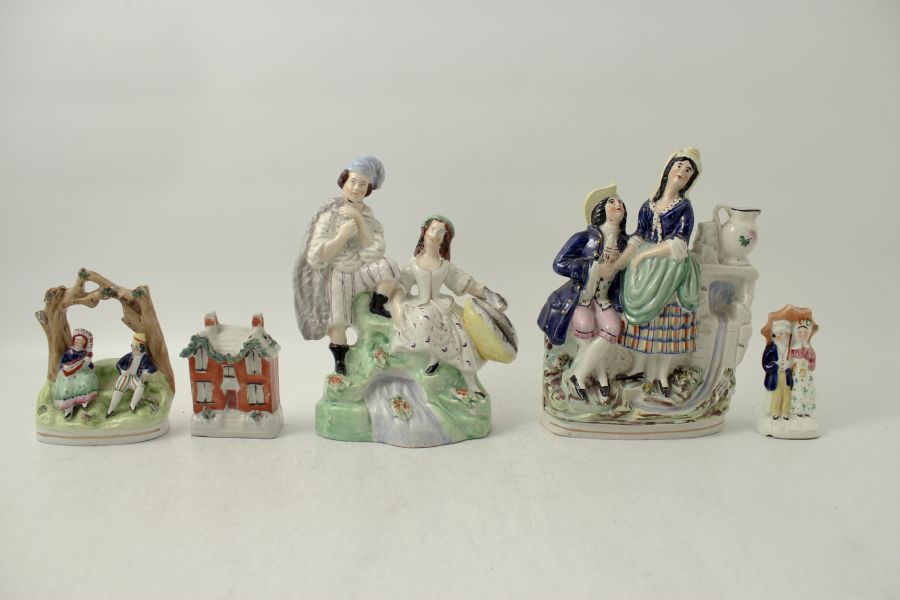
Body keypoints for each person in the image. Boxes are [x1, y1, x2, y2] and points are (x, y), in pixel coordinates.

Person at [294, 156, 399, 375]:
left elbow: (373, 248)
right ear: (344, 181)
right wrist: (341, 237)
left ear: (368, 189)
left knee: (389, 267)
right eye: (353, 181)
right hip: (338, 273)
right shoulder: (330, 214)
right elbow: (317, 255)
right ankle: (341, 362)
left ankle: (377, 304)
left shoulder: (367, 214)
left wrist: (358, 220)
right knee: (337, 319)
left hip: (359, 270)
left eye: (363, 184)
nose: (356, 188)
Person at [611, 147, 702, 397]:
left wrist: (645, 255)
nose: (682, 172)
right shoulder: (648, 206)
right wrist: (618, 264)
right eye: (679, 166)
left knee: (667, 321)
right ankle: (639, 367)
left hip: (670, 266)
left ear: (691, 179)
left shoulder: (684, 208)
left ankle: (661, 374)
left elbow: (679, 244)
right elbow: (638, 238)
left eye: (688, 170)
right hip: (644, 270)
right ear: (668, 169)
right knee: (645, 322)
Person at [390, 216, 506, 393]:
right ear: (424, 232)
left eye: (441, 232)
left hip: (441, 306)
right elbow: (402, 285)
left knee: (462, 338)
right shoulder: (413, 263)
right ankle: (418, 366)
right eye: (433, 230)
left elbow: (467, 283)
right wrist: (397, 304)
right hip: (418, 307)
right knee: (419, 322)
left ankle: (469, 381)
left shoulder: (445, 266)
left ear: (445, 239)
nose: (436, 235)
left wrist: (490, 295)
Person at [537, 184, 630, 402]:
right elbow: (559, 263)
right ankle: (600, 375)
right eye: (611, 202)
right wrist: (593, 267)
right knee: (585, 326)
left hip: (604, 298)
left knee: (613, 327)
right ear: (600, 210)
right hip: (580, 297)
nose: (618, 204)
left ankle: (578, 376)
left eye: (620, 202)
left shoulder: (626, 243)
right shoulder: (585, 237)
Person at [107, 332, 157, 416]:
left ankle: (132, 405)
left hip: (135, 377)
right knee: (118, 390)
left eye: (136, 347)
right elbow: (118, 364)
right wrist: (122, 371)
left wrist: (146, 373)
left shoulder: (145, 357)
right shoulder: (129, 356)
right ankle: (110, 410)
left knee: (141, 386)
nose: (133, 349)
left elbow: (153, 367)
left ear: (142, 348)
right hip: (125, 376)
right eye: (132, 346)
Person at [52, 328, 99, 419]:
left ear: (84, 342)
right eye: (77, 340)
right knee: (67, 386)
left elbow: (89, 364)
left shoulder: (85, 353)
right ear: (74, 340)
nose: (78, 342)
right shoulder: (69, 352)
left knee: (86, 380)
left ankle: (84, 402)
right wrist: (66, 367)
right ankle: (68, 409)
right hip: (69, 373)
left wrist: (90, 365)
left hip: (82, 372)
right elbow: (63, 363)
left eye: (81, 341)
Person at [762, 320, 794, 420]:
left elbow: (793, 361)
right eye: (781, 333)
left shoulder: (789, 348)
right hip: (776, 375)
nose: (784, 336)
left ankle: (785, 412)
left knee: (786, 394)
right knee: (777, 394)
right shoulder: (771, 349)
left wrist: (790, 364)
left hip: (787, 375)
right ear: (775, 335)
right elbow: (765, 364)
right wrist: (776, 364)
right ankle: (775, 412)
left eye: (786, 334)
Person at [789, 318, 817, 418]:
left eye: (805, 332)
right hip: (796, 372)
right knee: (797, 389)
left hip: (806, 373)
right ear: (796, 333)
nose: (802, 334)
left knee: (807, 389)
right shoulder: (794, 348)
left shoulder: (809, 348)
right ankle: (797, 409)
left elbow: (812, 360)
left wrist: (809, 362)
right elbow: (789, 359)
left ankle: (807, 409)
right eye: (800, 332)